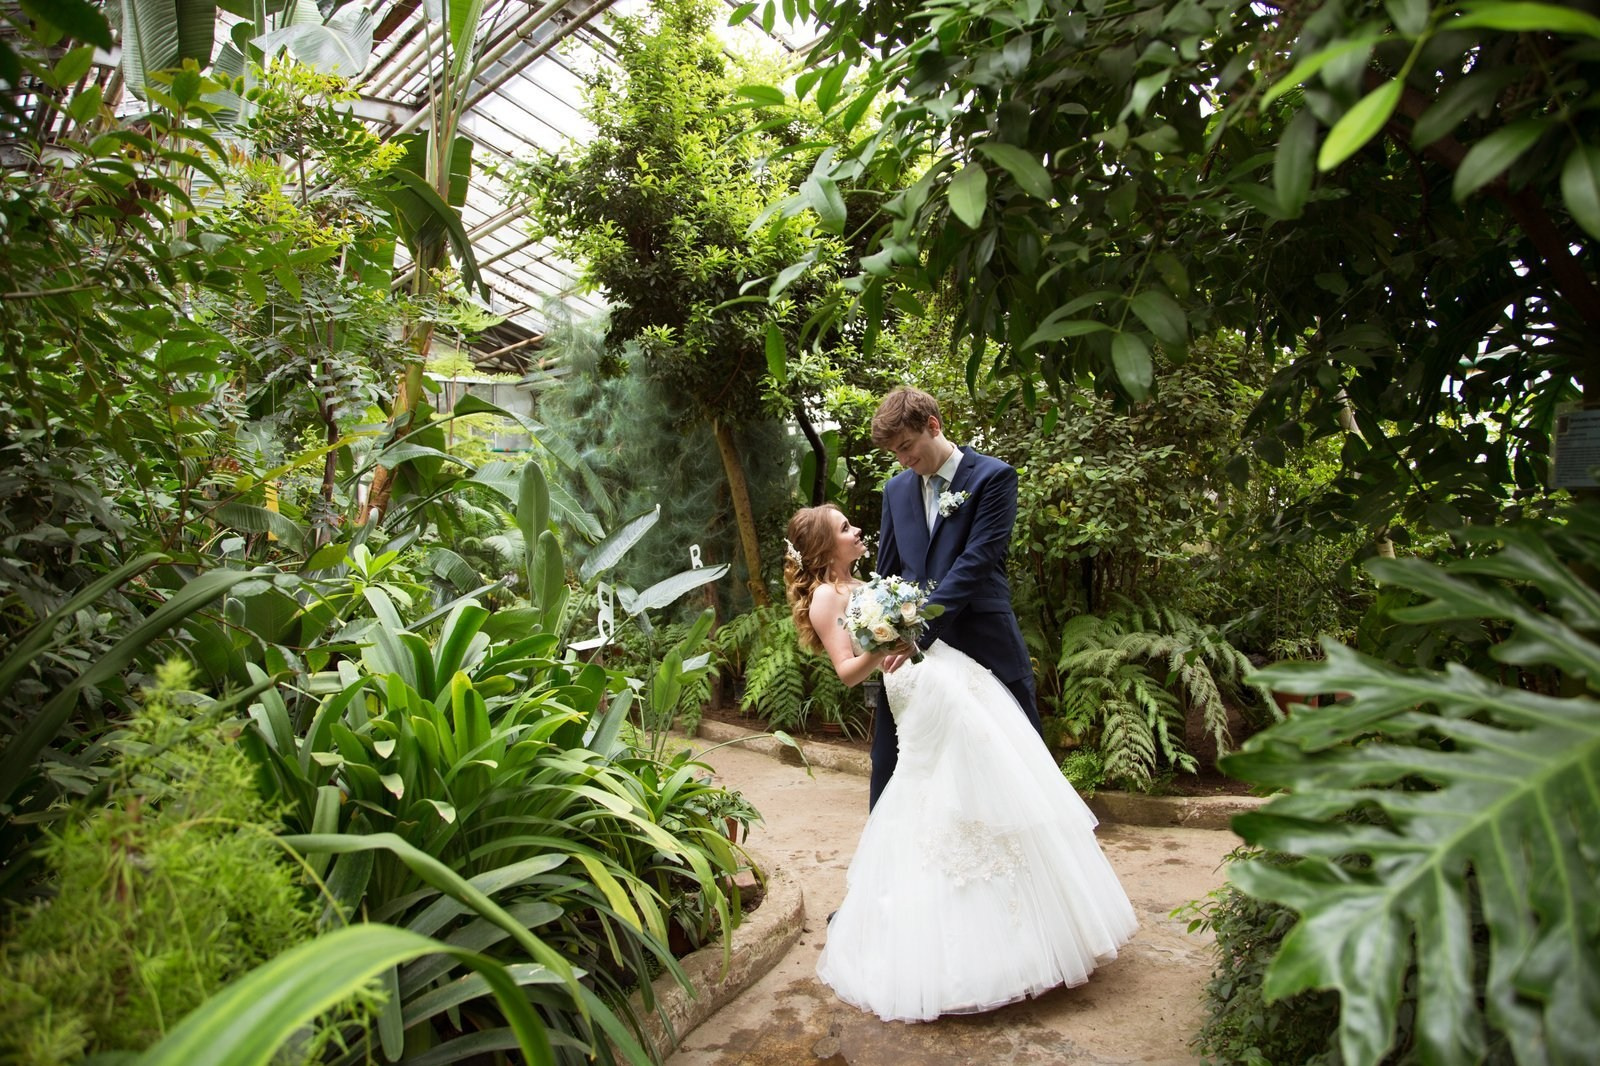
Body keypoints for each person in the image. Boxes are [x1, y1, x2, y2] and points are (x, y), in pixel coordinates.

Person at [783, 503, 1138, 1023]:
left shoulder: (867, 582)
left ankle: (1031, 937)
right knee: (936, 788)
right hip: (914, 689)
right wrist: (889, 641)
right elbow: (847, 671)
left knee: (987, 773)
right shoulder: (825, 598)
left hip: (946, 673)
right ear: (822, 545)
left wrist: (908, 624)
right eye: (844, 528)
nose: (856, 531)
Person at [868, 386, 1040, 807]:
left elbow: (976, 562)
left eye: (906, 446)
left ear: (933, 425)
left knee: (1014, 769)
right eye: (894, 452)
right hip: (913, 659)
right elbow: (888, 573)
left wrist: (919, 628)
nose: (903, 460)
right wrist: (876, 630)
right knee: (895, 764)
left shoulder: (993, 477)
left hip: (984, 644)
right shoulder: (895, 491)